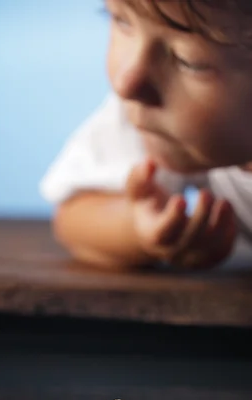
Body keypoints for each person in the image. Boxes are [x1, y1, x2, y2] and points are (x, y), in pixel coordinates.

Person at [40, 1, 252, 270]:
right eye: (122, 21)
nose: (126, 84)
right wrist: (139, 230)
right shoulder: (152, 114)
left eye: (190, 61)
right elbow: (74, 215)